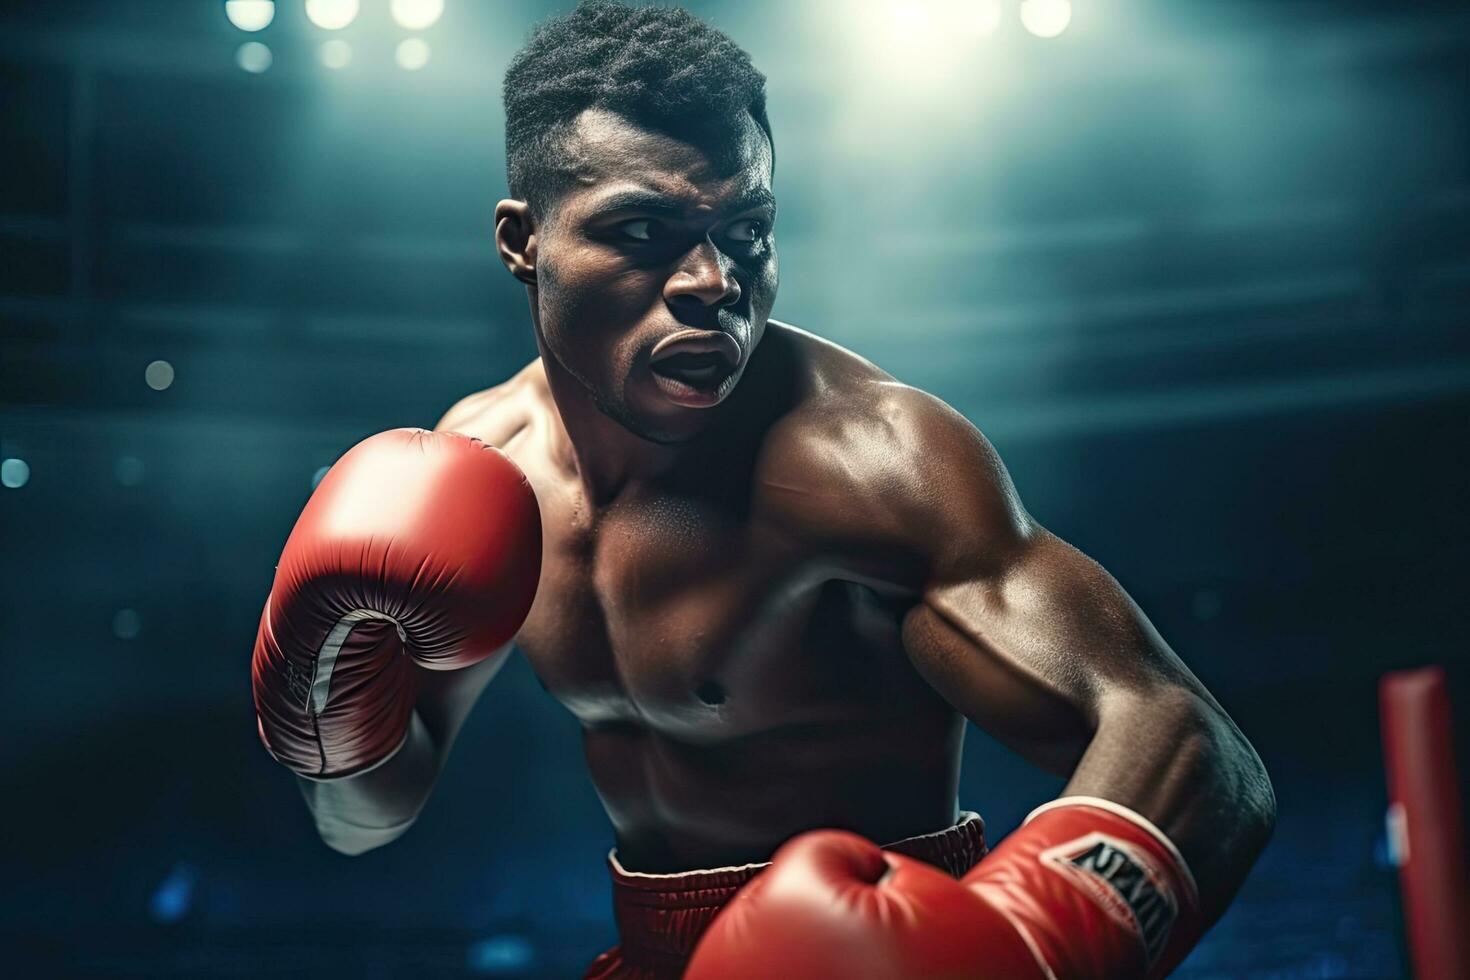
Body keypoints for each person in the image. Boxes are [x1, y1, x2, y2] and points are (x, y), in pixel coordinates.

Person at [251, 3, 1276, 976]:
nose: (712, 280)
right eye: (645, 232)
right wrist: (327, 701)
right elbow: (363, 818)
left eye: (745, 230)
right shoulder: (483, 469)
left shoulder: (870, 459)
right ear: (524, 242)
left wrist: (1028, 937)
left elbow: (1198, 748)